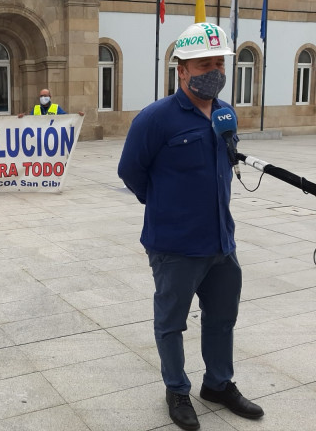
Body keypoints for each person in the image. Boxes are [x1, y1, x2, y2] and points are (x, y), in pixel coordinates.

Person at [117, 23, 264, 431]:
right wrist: (167, 206)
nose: (215, 70)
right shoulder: (155, 119)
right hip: (175, 245)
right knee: (172, 322)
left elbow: (226, 161)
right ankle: (177, 390)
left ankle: (218, 384)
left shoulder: (224, 111)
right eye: (205, 63)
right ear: (181, 69)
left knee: (221, 318)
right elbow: (131, 172)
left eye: (220, 63)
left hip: (222, 242)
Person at [18, 88, 84, 117]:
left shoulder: (56, 108)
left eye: (45, 96)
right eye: (41, 96)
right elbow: (29, 121)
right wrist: (23, 118)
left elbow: (67, 118)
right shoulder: (36, 108)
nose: (43, 98)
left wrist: (78, 116)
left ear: (50, 96)